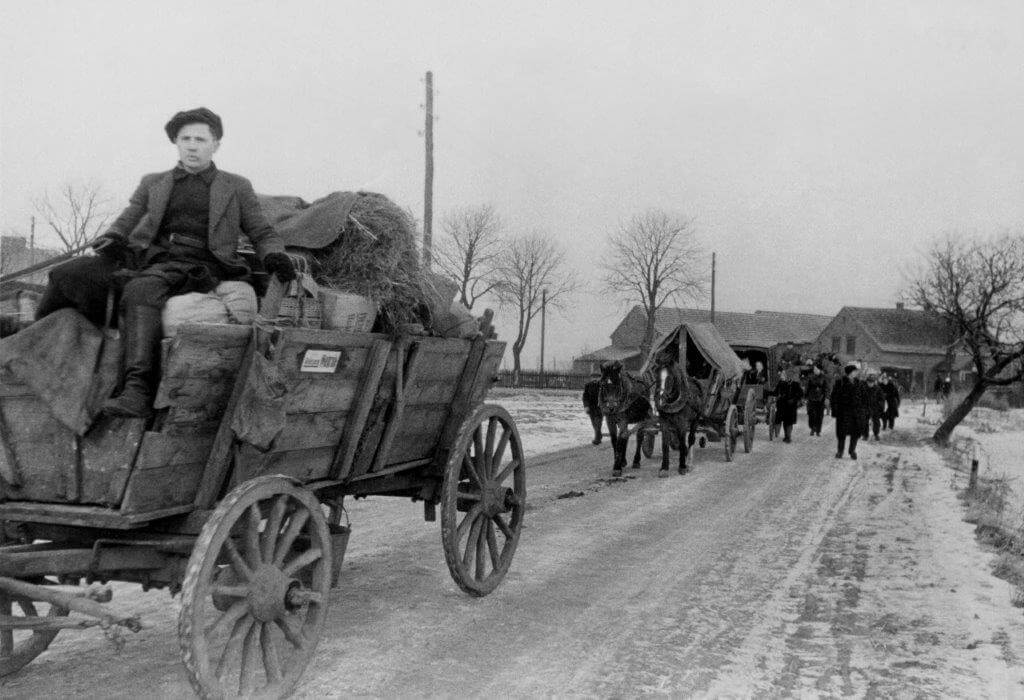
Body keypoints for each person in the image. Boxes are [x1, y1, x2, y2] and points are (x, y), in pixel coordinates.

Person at [36, 107, 296, 417]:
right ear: (176, 142)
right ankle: (32, 345)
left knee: (141, 290)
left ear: (216, 144)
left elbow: (262, 231)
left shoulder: (235, 186)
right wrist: (113, 237)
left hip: (200, 265)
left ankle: (137, 391)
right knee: (68, 273)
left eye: (200, 139)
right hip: (148, 258)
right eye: (185, 138)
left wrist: (274, 255)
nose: (191, 145)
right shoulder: (154, 182)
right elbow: (127, 219)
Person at [830, 362, 863, 459]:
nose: (856, 373)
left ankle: (852, 451)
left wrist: (862, 411)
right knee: (841, 434)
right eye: (854, 371)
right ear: (850, 372)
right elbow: (834, 397)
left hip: (856, 413)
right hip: (843, 412)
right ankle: (840, 451)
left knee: (855, 433)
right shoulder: (840, 383)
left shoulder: (859, 383)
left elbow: (863, 398)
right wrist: (835, 410)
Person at [771, 366, 804, 443]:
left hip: (791, 405)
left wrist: (794, 399)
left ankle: (788, 437)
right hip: (782, 405)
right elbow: (775, 392)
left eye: (785, 374)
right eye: (784, 374)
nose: (784, 376)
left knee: (789, 422)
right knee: (784, 421)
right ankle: (785, 436)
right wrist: (767, 392)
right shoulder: (781, 383)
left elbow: (801, 394)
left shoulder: (795, 384)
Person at [804, 363, 828, 436]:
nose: (814, 370)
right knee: (811, 414)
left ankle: (818, 431)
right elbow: (807, 387)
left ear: (819, 370)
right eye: (814, 369)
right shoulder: (810, 377)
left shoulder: (824, 377)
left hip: (820, 398)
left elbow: (826, 388)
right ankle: (812, 428)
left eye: (816, 369)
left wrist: (826, 397)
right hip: (811, 398)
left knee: (819, 415)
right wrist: (805, 396)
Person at [582, 372, 604, 445]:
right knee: (594, 423)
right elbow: (585, 397)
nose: (595, 379)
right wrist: (586, 406)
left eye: (597, 377)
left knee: (598, 423)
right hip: (591, 408)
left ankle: (597, 439)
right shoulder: (588, 386)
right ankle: (599, 435)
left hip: (600, 407)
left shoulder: (603, 386)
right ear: (591, 378)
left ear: (600, 378)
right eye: (593, 377)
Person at [862, 373, 886, 441]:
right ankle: (865, 435)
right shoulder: (863, 389)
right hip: (866, 407)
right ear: (867, 382)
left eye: (872, 382)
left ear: (874, 382)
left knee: (876, 422)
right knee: (864, 422)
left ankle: (876, 434)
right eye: (869, 382)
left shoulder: (878, 389)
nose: (870, 384)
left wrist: (881, 407)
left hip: (875, 408)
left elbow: (882, 399)